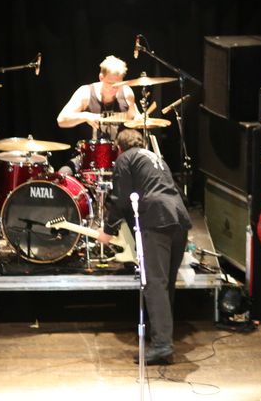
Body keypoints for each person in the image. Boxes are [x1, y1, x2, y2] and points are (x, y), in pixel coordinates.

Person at [97, 129, 192, 365]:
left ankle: (162, 346)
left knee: (154, 283)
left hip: (157, 220)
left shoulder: (125, 158)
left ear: (119, 147)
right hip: (179, 218)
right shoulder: (155, 157)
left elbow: (120, 198)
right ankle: (161, 335)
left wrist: (108, 230)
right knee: (166, 283)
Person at [56, 55, 140, 141]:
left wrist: (139, 119)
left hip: (121, 148)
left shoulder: (126, 92)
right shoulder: (85, 92)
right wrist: (85, 116)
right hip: (92, 147)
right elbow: (61, 120)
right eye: (110, 83)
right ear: (101, 77)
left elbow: (134, 118)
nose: (115, 88)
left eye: (118, 84)